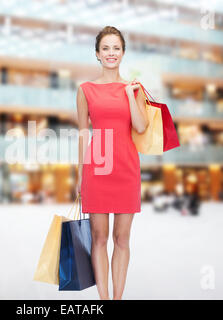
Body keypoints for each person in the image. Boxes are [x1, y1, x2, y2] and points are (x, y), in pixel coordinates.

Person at [76, 26, 149, 300]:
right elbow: (83, 135)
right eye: (105, 48)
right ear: (97, 54)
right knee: (98, 237)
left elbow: (141, 127)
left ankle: (118, 298)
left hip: (127, 168)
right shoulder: (85, 90)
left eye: (116, 48)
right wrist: (80, 177)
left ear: (123, 53)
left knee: (122, 239)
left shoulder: (135, 88)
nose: (111, 53)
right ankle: (104, 300)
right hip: (97, 167)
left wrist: (130, 94)